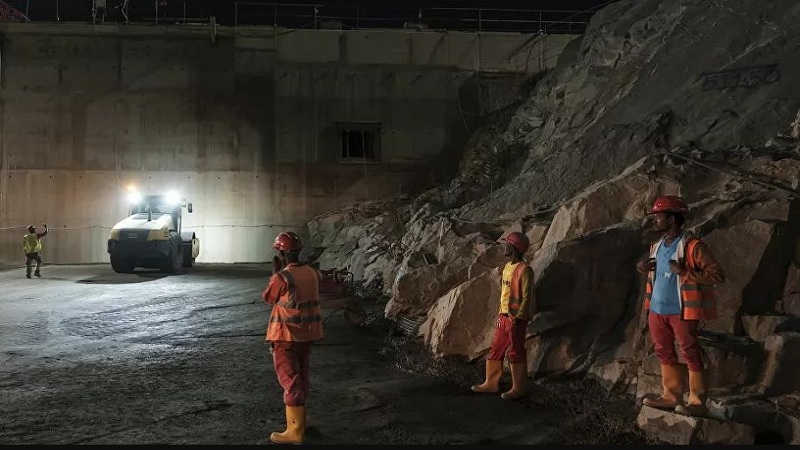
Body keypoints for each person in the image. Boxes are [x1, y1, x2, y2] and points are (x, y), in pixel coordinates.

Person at [636, 195, 725, 417]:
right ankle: (672, 395)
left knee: (690, 352)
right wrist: (641, 268)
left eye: (659, 216)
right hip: (656, 310)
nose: (655, 220)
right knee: (663, 351)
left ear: (672, 219)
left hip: (682, 311)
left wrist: (685, 272)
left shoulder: (693, 246)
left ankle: (697, 401)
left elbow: (717, 275)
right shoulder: (656, 246)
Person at [260, 231, 324, 444]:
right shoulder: (313, 273)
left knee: (290, 380)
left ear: (280, 253)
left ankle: (295, 431)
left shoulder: (282, 277)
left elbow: (268, 297)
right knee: (302, 377)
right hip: (307, 335)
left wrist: (275, 272)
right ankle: (301, 425)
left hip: (285, 336)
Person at [471, 231, 535, 400]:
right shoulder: (507, 267)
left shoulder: (525, 270)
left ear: (514, 247)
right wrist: (500, 313)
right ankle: (491, 383)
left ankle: (519, 387)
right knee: (496, 348)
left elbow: (527, 297)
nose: (504, 246)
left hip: (516, 319)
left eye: (507, 243)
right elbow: (505, 294)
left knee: (516, 351)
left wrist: (519, 317)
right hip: (504, 316)